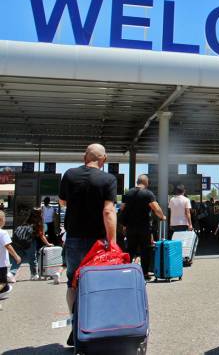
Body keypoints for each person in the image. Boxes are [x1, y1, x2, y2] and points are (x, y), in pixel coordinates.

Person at [59, 144, 117, 348]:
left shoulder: (69, 174)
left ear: (85, 157)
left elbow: (62, 202)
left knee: (72, 282)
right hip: (98, 242)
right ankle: (97, 328)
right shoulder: (108, 179)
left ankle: (76, 325)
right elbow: (108, 211)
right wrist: (113, 241)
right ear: (104, 159)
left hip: (74, 238)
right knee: (100, 283)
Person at [121, 174, 166, 279]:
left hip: (130, 227)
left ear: (137, 181)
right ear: (146, 182)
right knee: (145, 250)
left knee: (130, 249)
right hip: (144, 227)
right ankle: (145, 273)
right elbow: (156, 208)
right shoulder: (148, 194)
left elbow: (122, 209)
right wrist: (162, 216)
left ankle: (127, 272)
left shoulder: (128, 193)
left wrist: (124, 225)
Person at [9, 208, 54, 282]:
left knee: (18, 258)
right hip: (29, 242)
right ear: (40, 214)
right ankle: (33, 275)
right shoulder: (38, 223)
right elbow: (41, 235)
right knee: (32, 258)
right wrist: (48, 244)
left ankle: (11, 274)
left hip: (18, 243)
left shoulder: (26, 221)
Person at [1, 211, 22, 299]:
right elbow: (8, 246)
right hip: (1, 264)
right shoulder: (3, 233)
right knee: (2, 283)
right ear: (1, 220)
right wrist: (16, 256)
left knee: (5, 286)